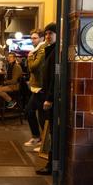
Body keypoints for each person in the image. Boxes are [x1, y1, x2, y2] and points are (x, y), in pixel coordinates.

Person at [36, 23, 58, 175]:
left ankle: (52, 165)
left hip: (52, 98)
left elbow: (54, 79)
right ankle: (51, 164)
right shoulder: (50, 50)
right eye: (46, 34)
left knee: (53, 132)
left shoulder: (56, 52)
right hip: (46, 95)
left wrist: (49, 98)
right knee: (50, 131)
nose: (48, 36)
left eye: (51, 33)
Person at [24, 29, 46, 147]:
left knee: (34, 113)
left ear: (41, 38)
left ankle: (41, 140)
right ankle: (39, 138)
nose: (32, 40)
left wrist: (30, 57)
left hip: (41, 87)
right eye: (31, 38)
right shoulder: (37, 50)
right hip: (38, 87)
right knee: (34, 113)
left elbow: (33, 67)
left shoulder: (41, 50)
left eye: (35, 38)